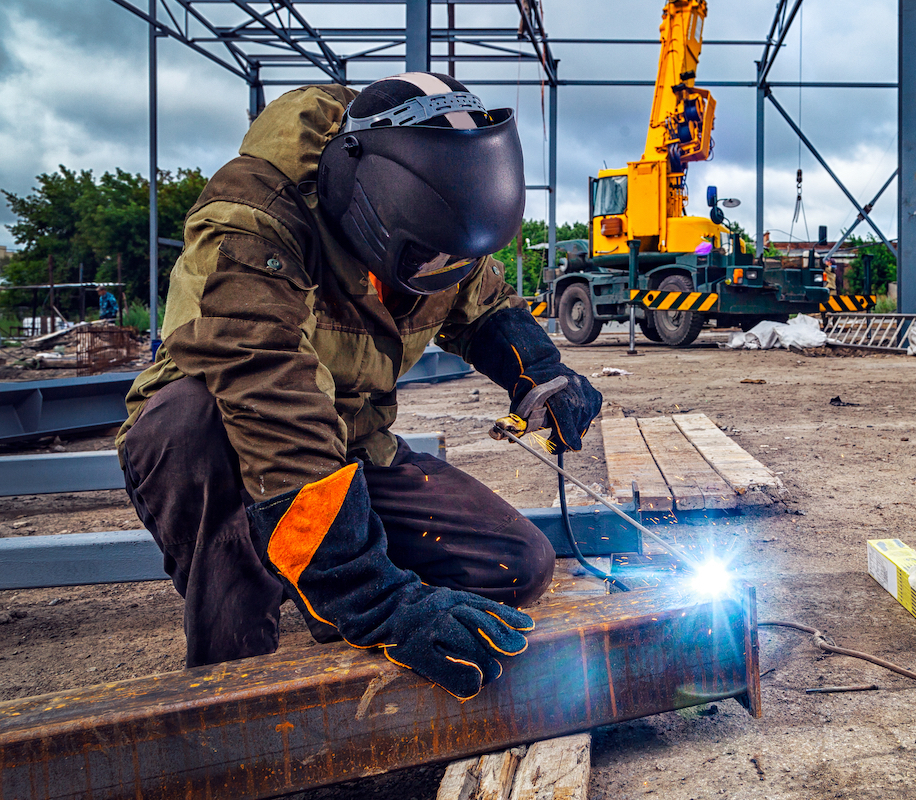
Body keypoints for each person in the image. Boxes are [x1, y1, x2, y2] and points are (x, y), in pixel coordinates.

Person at [115, 74, 602, 701]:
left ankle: (319, 578)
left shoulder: (434, 216)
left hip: (352, 441)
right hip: (232, 440)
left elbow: (482, 305)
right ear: (362, 196)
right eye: (425, 258)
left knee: (519, 565)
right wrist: (372, 595)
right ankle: (234, 672)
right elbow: (270, 395)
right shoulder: (254, 216)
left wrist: (540, 370)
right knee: (189, 423)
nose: (439, 271)